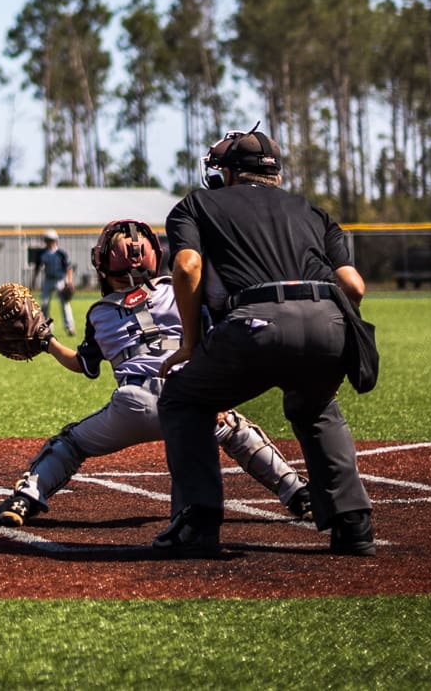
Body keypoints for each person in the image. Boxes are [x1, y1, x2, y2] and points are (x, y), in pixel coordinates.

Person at [0, 219, 310, 527]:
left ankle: (25, 499)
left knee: (70, 444)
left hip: (132, 403)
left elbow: (83, 366)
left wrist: (47, 342)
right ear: (155, 255)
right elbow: (219, 341)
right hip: (191, 398)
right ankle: (298, 493)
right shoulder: (180, 290)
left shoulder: (99, 312)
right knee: (237, 432)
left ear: (101, 262)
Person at [155, 129, 375, 557]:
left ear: (230, 173)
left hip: (254, 320)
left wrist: (189, 344)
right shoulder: (314, 211)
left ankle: (197, 521)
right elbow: (354, 285)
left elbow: (186, 266)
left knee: (184, 399)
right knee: (315, 405)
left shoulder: (197, 204)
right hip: (330, 318)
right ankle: (352, 523)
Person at [32, 230, 76, 336]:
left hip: (60, 280)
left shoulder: (61, 254)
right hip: (48, 280)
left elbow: (69, 268)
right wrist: (33, 281)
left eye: (51, 240)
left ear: (55, 241)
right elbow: (37, 268)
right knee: (45, 304)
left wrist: (69, 282)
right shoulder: (42, 253)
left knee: (64, 304)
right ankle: (47, 328)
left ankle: (69, 327)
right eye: (47, 240)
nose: (48, 242)